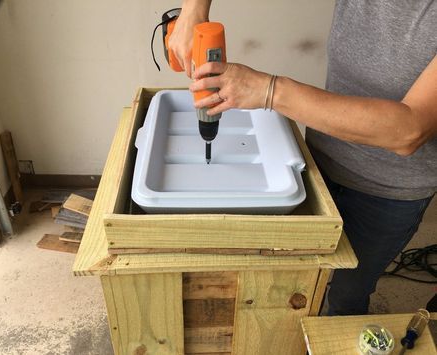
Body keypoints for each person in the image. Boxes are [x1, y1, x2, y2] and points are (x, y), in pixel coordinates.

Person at [169, 0, 437, 315]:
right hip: (319, 159)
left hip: (389, 189)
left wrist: (270, 91)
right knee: (298, 281)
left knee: (347, 292)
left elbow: (408, 131)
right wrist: (193, 10)